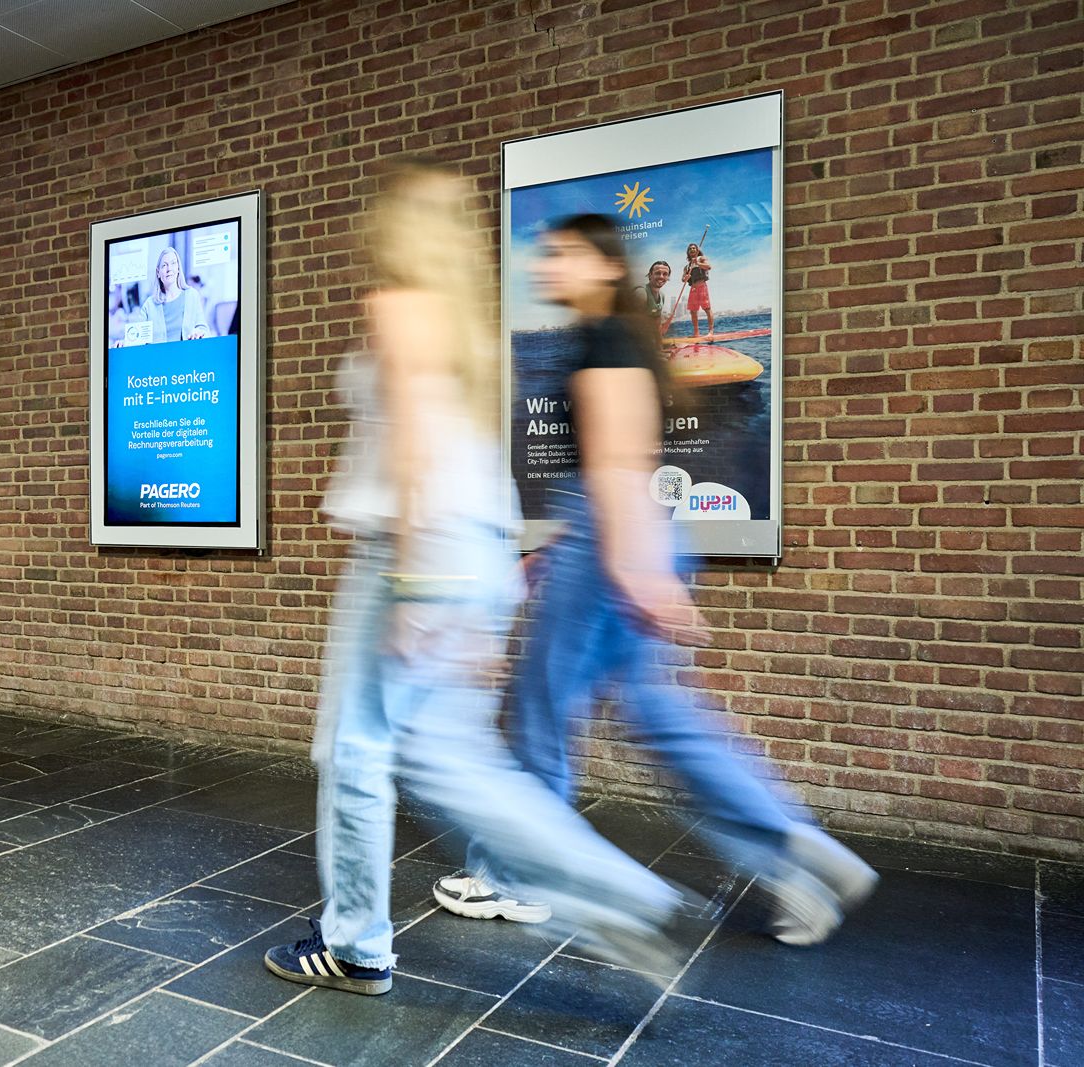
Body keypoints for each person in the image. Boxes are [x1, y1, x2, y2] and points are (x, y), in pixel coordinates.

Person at [263, 166, 687, 999]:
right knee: (458, 764)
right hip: (477, 550)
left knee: (353, 749)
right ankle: (621, 894)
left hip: (411, 552)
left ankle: (356, 943)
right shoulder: (470, 327)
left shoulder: (401, 305)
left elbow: (417, 437)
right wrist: (477, 599)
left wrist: (420, 581)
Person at [432, 214, 876, 947]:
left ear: (607, 266)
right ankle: (792, 851)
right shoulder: (623, 338)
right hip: (630, 533)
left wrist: (624, 567)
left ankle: (513, 877)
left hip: (614, 539)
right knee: (663, 715)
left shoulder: (602, 339)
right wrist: (599, 553)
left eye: (566, 255)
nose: (550, 267)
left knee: (542, 708)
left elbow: (615, 463)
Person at [143, 246, 209, 342]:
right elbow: (136, 337)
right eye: (164, 265)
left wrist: (199, 332)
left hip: (188, 355)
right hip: (159, 356)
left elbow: (204, 329)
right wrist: (124, 342)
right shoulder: (149, 304)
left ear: (178, 268)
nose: (169, 269)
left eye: (173, 263)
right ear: (158, 272)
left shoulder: (192, 295)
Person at [684, 242, 713, 337]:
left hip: (702, 286)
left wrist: (698, 263)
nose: (692, 249)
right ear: (688, 252)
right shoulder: (687, 266)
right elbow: (683, 279)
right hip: (693, 289)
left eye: (694, 248)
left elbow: (708, 267)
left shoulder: (702, 258)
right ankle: (696, 333)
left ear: (697, 250)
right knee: (693, 311)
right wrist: (686, 277)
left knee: (707, 308)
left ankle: (711, 332)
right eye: (690, 249)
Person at [637, 259, 673, 335]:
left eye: (665, 274)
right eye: (657, 273)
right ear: (650, 275)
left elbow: (657, 323)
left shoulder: (662, 296)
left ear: (668, 277)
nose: (661, 277)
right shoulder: (641, 292)